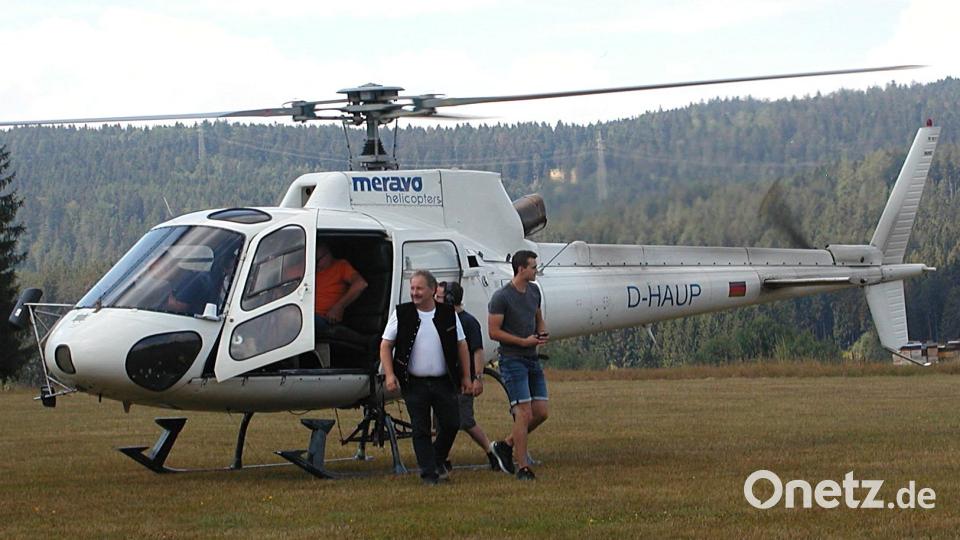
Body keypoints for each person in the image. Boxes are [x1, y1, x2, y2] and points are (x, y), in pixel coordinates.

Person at [380, 270, 473, 485]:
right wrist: (390, 374)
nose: (415, 293)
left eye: (419, 288)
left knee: (451, 423)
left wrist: (467, 377)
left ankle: (435, 459)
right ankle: (429, 474)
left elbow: (462, 345)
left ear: (432, 290)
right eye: (412, 288)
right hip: (414, 383)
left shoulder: (448, 313)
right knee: (420, 428)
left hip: (444, 381)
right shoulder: (401, 313)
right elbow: (386, 345)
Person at [488, 249, 549, 481]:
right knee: (523, 413)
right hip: (512, 360)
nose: (536, 271)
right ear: (521, 268)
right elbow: (494, 332)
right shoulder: (502, 297)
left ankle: (505, 445)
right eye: (533, 267)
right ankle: (523, 467)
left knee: (541, 412)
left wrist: (541, 332)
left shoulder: (534, 291)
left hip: (532, 358)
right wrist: (523, 341)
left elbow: (538, 317)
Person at [435, 281, 500, 471]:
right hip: (443, 381)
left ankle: (491, 450)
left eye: (439, 297)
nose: (436, 300)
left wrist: (477, 378)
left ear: (449, 299)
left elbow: (477, 351)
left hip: (462, 381)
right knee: (440, 422)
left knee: (465, 421)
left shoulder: (468, 322)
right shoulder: (441, 319)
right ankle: (442, 457)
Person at [313, 242, 372, 354]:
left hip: (323, 318)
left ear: (328, 254)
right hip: (303, 313)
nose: (316, 265)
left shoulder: (341, 266)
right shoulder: (308, 269)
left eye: (317, 261)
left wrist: (339, 307)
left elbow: (361, 284)